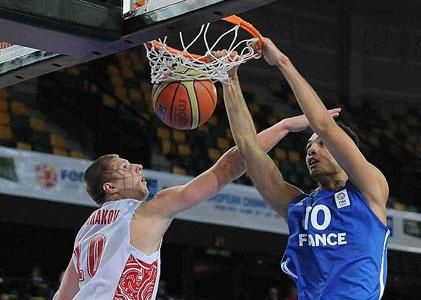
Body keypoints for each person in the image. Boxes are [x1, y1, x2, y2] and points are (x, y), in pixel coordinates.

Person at [53, 106, 334, 299]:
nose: (138, 166)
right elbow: (226, 169)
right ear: (109, 187)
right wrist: (284, 126)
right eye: (125, 168)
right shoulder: (146, 211)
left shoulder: (86, 232)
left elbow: (62, 296)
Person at [221, 38, 390, 299]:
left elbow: (324, 124)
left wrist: (282, 62)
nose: (311, 150)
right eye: (309, 146)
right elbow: (249, 149)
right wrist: (229, 79)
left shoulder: (370, 190)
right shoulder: (300, 208)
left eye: (322, 144)